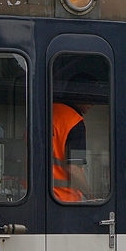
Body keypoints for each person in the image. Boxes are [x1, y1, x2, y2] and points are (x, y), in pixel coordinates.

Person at [52, 73, 98, 202]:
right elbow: (73, 168)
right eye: (91, 98)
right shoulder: (74, 122)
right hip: (63, 200)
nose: (93, 103)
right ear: (81, 96)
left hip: (32, 194)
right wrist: (90, 196)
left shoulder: (43, 111)